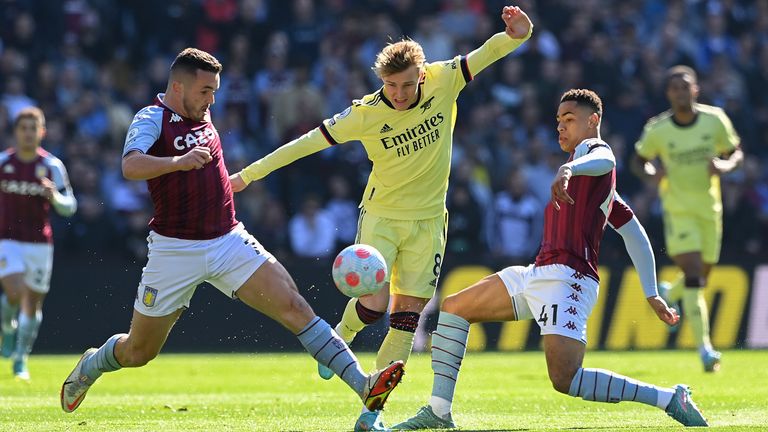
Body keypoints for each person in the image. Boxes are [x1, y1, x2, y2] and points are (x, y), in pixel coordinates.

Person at [230, 6, 532, 430]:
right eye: (391, 85)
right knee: (372, 304)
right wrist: (247, 175)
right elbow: (303, 144)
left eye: (407, 85)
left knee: (406, 320)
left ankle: (371, 413)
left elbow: (485, 53)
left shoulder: (444, 80)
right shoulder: (365, 113)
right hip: (383, 218)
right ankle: (344, 333)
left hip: (429, 222)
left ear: (422, 75)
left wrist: (517, 36)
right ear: (380, 81)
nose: (400, 94)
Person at [59, 48, 404, 416]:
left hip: (228, 239)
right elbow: (130, 165)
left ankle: (363, 385)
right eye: (205, 90)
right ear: (178, 86)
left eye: (215, 91)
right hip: (174, 251)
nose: (212, 99)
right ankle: (92, 365)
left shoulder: (203, 114)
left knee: (295, 306)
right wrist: (177, 162)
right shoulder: (151, 118)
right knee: (139, 352)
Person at [392, 89, 708, 430]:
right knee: (454, 308)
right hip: (537, 273)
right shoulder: (600, 188)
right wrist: (651, 292)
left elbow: (607, 158)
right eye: (558, 121)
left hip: (569, 279)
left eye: (569, 120)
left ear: (594, 121)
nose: (561, 127)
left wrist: (569, 168)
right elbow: (635, 234)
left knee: (565, 379)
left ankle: (668, 398)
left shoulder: (591, 155)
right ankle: (438, 412)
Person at [632, 65, 742, 372]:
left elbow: (736, 152)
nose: (680, 93)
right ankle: (705, 349)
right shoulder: (658, 129)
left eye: (685, 87)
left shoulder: (714, 120)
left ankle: (671, 292)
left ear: (695, 90)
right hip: (678, 211)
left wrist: (725, 166)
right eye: (675, 88)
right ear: (668, 94)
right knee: (695, 275)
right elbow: (639, 162)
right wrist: (653, 174)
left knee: (701, 275)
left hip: (709, 210)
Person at [0, 107, 77, 380]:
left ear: (42, 132)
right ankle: (7, 329)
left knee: (32, 304)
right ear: (15, 132)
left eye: (34, 129)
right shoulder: (3, 163)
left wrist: (54, 196)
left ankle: (21, 358)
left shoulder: (52, 166)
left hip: (40, 244)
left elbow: (70, 206)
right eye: (24, 128)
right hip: (7, 240)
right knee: (15, 292)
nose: (28, 134)